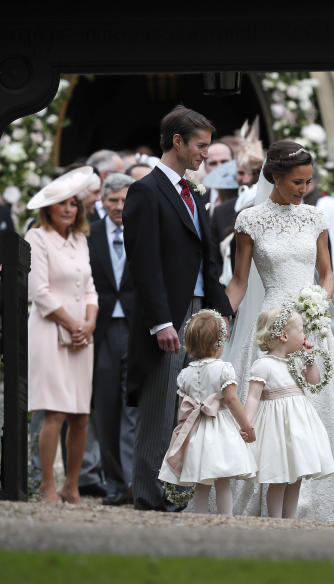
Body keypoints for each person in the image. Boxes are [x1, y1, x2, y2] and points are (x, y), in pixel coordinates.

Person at [224, 139, 334, 524]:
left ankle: (328, 503)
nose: (304, 189)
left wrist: (316, 303)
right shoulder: (249, 221)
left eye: (308, 181)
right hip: (271, 327)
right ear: (275, 177)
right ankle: (266, 502)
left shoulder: (315, 218)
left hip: (310, 327)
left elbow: (327, 275)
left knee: (320, 409)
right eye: (296, 181)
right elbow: (240, 281)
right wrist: (219, 317)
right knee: (267, 406)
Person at [123, 105, 234, 511]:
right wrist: (160, 322)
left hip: (200, 312)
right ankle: (151, 498)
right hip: (168, 314)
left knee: (193, 407)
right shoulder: (146, 191)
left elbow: (208, 257)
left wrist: (220, 307)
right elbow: (144, 262)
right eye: (201, 146)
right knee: (160, 407)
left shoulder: (191, 192)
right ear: (177, 142)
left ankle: (181, 495)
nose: (206, 153)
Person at [24, 166, 101, 504]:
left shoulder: (81, 240)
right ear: (49, 207)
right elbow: (39, 292)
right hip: (49, 331)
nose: (70, 209)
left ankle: (72, 486)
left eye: (74, 203)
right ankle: (47, 486)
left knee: (80, 414)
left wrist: (90, 322)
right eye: (63, 203)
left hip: (83, 335)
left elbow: (90, 290)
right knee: (54, 410)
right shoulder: (37, 237)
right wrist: (73, 324)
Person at [158, 310, 257, 515]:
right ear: (219, 343)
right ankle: (226, 518)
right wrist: (246, 425)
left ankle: (200, 518)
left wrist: (181, 434)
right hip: (220, 430)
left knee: (201, 479)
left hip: (195, 431)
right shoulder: (223, 369)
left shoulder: (185, 373)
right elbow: (231, 399)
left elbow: (182, 410)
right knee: (222, 480)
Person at [243, 305, 334, 518]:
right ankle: (276, 521)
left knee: (296, 477)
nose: (304, 335)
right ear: (284, 335)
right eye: (301, 330)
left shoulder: (296, 361)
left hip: (299, 428)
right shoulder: (263, 364)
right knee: (279, 477)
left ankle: (291, 520)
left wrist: (310, 359)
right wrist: (246, 423)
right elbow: (253, 397)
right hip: (276, 430)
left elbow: (314, 381)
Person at [87, 173, 140, 505]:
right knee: (105, 408)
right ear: (102, 202)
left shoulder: (143, 234)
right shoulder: (88, 235)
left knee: (133, 408)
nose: (120, 207)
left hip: (137, 329)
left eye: (125, 200)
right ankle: (113, 482)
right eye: (113, 201)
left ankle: (135, 481)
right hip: (101, 330)